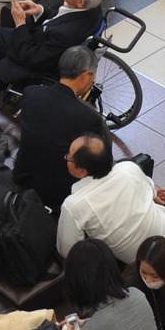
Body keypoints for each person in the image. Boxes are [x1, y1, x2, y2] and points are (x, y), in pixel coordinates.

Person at [57, 135, 165, 266]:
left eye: (69, 158)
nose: (67, 158)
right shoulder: (128, 168)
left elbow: (68, 250)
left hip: (141, 265)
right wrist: (154, 194)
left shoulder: (74, 206)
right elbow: (149, 190)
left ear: (82, 171)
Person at [13, 46, 109, 211]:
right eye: (93, 75)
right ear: (86, 75)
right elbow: (98, 161)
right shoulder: (89, 118)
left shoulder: (31, 93)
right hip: (57, 195)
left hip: (22, 178)